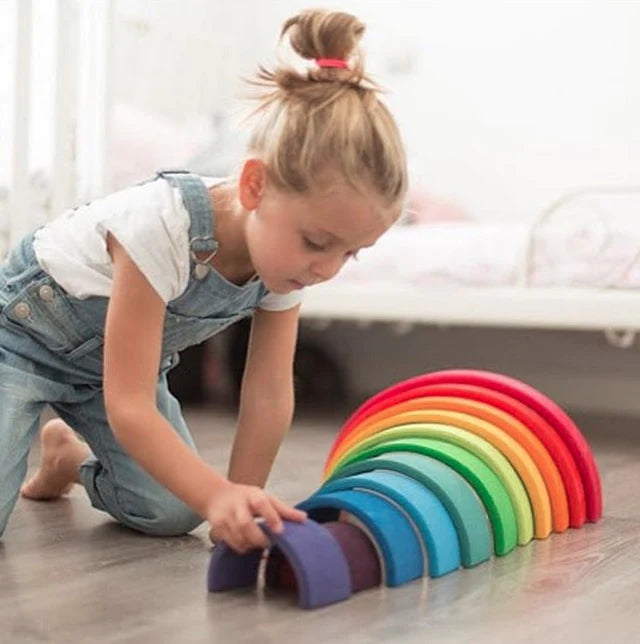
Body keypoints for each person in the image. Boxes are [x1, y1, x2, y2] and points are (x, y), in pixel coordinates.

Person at [0, 9, 407, 553]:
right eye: (317, 243)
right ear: (255, 186)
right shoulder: (161, 228)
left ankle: (65, 458)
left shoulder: (286, 256)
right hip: (24, 341)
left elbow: (267, 393)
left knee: (172, 510)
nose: (326, 269)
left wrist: (237, 499)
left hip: (112, 373)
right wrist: (217, 494)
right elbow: (130, 406)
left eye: (350, 254)